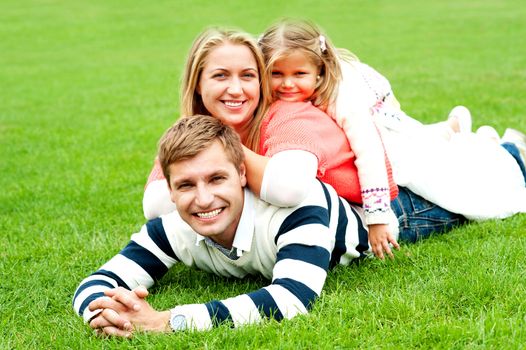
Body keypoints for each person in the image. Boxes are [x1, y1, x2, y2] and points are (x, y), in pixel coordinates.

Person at [74, 114, 458, 337]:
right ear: (170, 192)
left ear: (243, 174)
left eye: (216, 179)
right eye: (186, 185)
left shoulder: (295, 210)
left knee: (469, 189)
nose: (203, 199)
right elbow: (97, 282)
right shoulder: (173, 227)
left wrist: (166, 321)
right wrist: (107, 312)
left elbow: (291, 298)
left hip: (385, 219)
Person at [143, 27, 468, 260]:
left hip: (384, 206)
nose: (236, 89)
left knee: (470, 179)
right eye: (219, 76)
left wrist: (219, 145)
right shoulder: (194, 130)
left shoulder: (292, 114)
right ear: (197, 85)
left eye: (247, 75)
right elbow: (157, 206)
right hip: (333, 208)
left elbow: (289, 189)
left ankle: (491, 144)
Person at [257, 19, 526, 221]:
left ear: (319, 72)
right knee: (434, 145)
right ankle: (459, 129)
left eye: (299, 74)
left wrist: (377, 213)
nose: (287, 83)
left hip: (389, 145)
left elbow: (369, 152)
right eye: (276, 73)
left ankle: (497, 149)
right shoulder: (275, 93)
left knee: (453, 181)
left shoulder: (340, 98)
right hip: (390, 135)